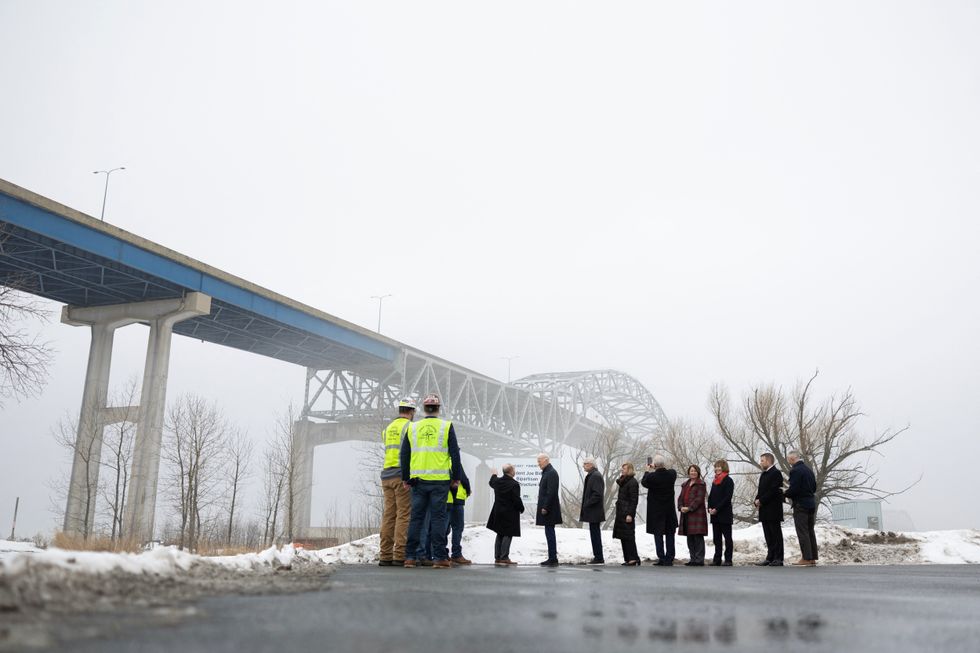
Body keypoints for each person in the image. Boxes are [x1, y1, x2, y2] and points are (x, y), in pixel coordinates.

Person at [401, 393, 462, 569]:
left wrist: (406, 477)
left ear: (423, 409)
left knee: (416, 519)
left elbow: (404, 454)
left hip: (417, 481)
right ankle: (440, 558)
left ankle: (410, 557)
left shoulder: (412, 428)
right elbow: (455, 454)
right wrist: (456, 477)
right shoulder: (446, 426)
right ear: (438, 409)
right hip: (440, 481)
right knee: (438, 519)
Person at [378, 399, 416, 567]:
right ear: (412, 412)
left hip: (386, 474)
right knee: (404, 514)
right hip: (401, 475)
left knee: (389, 515)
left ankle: (385, 554)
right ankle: (399, 554)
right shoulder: (409, 427)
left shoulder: (388, 429)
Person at [641, 454, 678, 566]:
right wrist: (658, 467)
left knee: (658, 535)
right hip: (669, 511)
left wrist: (647, 470)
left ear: (655, 465)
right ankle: (670, 557)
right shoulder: (671, 475)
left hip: (656, 511)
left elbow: (644, 482)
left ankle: (661, 557)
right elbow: (671, 470)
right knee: (670, 534)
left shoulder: (651, 477)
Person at [784, 451, 818, 566]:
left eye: (788, 459)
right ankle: (812, 557)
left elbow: (794, 489)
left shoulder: (795, 471)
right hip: (811, 503)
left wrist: (784, 493)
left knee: (802, 531)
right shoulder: (808, 470)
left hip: (801, 504)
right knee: (810, 531)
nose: (788, 462)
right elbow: (814, 487)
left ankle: (806, 557)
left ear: (792, 459)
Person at [487, 464, 524, 566]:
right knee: (508, 534)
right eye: (514, 469)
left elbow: (491, 482)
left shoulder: (497, 482)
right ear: (511, 471)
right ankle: (504, 557)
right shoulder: (514, 484)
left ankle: (498, 557)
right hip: (509, 513)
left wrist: (494, 474)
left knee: (500, 533)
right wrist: (521, 508)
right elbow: (516, 499)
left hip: (498, 512)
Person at [754, 452, 785, 566]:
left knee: (775, 534)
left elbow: (773, 491)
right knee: (768, 535)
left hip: (773, 510)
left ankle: (778, 558)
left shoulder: (776, 473)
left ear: (768, 461)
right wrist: (756, 500)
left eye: (762, 460)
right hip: (764, 510)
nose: (760, 463)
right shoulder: (764, 474)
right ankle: (770, 557)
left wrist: (761, 500)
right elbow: (760, 491)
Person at [677, 464, 707, 566]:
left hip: (697, 514)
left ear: (698, 472)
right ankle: (693, 559)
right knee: (690, 538)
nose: (692, 472)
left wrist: (689, 508)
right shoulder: (685, 484)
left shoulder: (701, 484)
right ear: (688, 472)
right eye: (691, 471)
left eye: (694, 471)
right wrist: (680, 507)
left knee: (697, 537)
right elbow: (680, 497)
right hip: (686, 514)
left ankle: (699, 560)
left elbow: (699, 499)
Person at [536, 453, 561, 566]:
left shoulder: (551, 473)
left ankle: (553, 558)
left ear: (546, 460)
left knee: (550, 533)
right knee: (549, 532)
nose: (538, 463)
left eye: (539, 461)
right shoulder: (548, 472)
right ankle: (552, 557)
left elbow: (551, 492)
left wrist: (545, 506)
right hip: (548, 508)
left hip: (549, 509)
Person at [707, 459, 734, 566]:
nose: (717, 469)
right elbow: (711, 497)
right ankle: (717, 559)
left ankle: (728, 559)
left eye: (719, 467)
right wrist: (709, 507)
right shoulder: (715, 481)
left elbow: (727, 497)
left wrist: (717, 508)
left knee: (727, 538)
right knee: (716, 538)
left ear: (724, 468)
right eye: (716, 467)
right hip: (714, 515)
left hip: (724, 514)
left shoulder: (728, 480)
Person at [613, 462, 640, 566]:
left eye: (624, 468)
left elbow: (634, 500)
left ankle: (633, 558)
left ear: (629, 470)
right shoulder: (623, 482)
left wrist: (630, 514)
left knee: (629, 536)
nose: (622, 470)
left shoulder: (632, 482)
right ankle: (628, 558)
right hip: (621, 512)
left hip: (627, 513)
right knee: (623, 536)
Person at [580, 457, 606, 565]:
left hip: (594, 511)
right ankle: (598, 556)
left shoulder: (595, 476)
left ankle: (599, 557)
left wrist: (587, 504)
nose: (583, 466)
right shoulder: (593, 475)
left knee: (595, 535)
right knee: (594, 534)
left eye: (585, 464)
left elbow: (597, 494)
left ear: (591, 465)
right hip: (593, 511)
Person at [446, 468, 472, 565]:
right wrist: (468, 490)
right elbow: (464, 479)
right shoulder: (454, 461)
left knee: (445, 528)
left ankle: (444, 553)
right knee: (457, 527)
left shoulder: (444, 461)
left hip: (446, 498)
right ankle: (456, 554)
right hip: (457, 498)